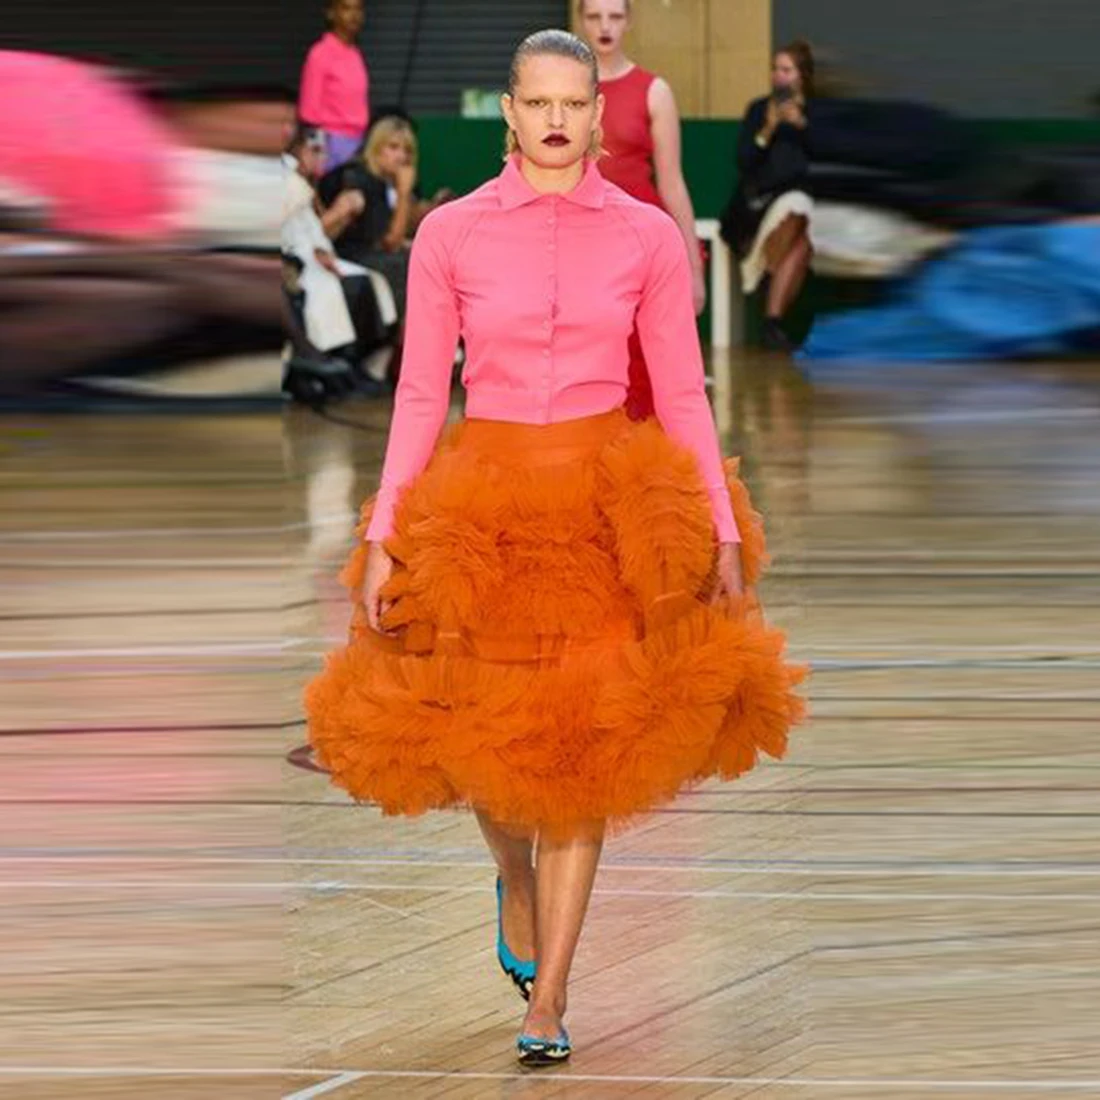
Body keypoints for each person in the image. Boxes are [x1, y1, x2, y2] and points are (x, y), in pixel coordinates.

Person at [304, 29, 804, 1068]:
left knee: (581, 760)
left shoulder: (643, 239)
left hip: (598, 508)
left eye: (572, 102)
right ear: (511, 110)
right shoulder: (450, 233)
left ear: (592, 110)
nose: (555, 120)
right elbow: (413, 393)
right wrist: (385, 527)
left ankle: (552, 998)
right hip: (478, 506)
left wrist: (713, 518)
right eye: (536, 101)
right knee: (484, 745)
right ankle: (516, 881)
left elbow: (678, 392)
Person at [578, 0, 706, 419]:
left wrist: (693, 267)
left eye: (614, 16)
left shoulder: (654, 91)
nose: (605, 27)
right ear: (581, 20)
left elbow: (672, 182)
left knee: (645, 360)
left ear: (628, 21)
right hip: (582, 241)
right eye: (595, 17)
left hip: (640, 246)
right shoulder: (568, 91)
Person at [721, 40, 815, 351]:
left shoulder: (816, 114)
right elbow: (744, 162)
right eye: (775, 69)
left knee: (802, 230)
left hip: (803, 205)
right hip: (759, 207)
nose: (779, 76)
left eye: (787, 70)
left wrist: (802, 126)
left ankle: (771, 320)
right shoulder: (759, 109)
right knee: (800, 237)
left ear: (803, 75)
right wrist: (768, 129)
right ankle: (771, 298)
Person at [319, 115, 454, 321]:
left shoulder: (392, 181)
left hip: (376, 254)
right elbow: (391, 242)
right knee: (405, 265)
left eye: (407, 150)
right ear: (376, 148)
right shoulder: (360, 177)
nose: (401, 156)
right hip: (351, 256)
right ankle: (403, 339)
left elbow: (406, 230)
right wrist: (402, 193)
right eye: (393, 147)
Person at [298, 0, 370, 172]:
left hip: (358, 142)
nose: (354, 16)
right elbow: (309, 113)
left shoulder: (355, 53)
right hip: (331, 145)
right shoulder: (320, 54)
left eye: (358, 9)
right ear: (331, 13)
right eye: (346, 8)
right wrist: (317, 155)